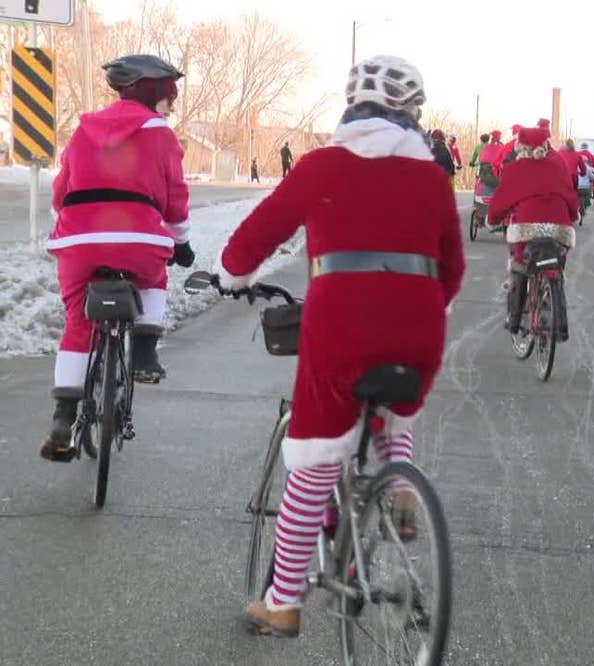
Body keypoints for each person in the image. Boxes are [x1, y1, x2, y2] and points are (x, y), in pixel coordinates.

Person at [226, 54, 465, 636]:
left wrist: (232, 275)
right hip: (418, 326)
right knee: (394, 406)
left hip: (340, 328)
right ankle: (402, 493)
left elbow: (250, 243)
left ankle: (283, 600)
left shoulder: (320, 166)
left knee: (312, 458)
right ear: (413, 114)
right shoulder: (434, 177)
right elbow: (452, 271)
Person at [40, 54, 191, 462]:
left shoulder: (84, 128)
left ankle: (63, 415)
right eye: (169, 97)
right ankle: (144, 353)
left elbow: (61, 189)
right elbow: (175, 195)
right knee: (155, 277)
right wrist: (181, 240)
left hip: (78, 239)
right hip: (138, 236)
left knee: (78, 320)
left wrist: (73, 221)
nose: (171, 106)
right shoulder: (159, 133)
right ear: (153, 93)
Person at [488, 127, 578, 335]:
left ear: (521, 147)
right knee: (558, 259)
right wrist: (572, 216)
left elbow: (499, 204)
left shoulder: (514, 170)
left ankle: (514, 318)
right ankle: (552, 297)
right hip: (560, 230)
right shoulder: (558, 167)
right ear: (546, 147)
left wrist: (491, 219)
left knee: (519, 266)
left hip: (525, 230)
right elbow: (570, 199)